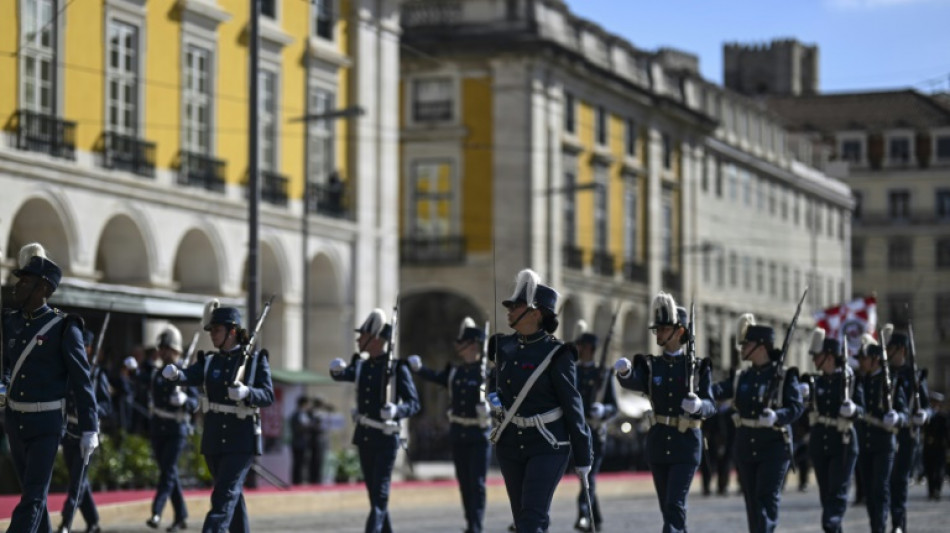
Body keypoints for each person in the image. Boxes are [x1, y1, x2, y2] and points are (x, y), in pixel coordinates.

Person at [1, 243, 99, 532]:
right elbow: (7, 365)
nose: (18, 286)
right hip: (16, 420)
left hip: (47, 423)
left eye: (26, 281)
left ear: (43, 288)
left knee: (32, 497)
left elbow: (82, 380)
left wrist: (90, 427)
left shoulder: (64, 327)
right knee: (36, 499)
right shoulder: (10, 322)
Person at [488, 269, 592, 533]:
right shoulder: (504, 347)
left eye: (517, 306)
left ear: (536, 313)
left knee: (530, 520)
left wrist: (583, 454)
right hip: (510, 444)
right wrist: (492, 397)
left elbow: (573, 405)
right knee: (525, 516)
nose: (509, 310)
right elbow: (494, 382)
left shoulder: (558, 354)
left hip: (548, 444)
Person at [161, 301, 275, 533]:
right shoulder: (210, 361)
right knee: (231, 496)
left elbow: (268, 395)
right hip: (214, 440)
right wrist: (175, 375)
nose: (212, 335)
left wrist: (248, 393)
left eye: (217, 330)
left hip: (241, 440)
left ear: (232, 331)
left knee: (223, 496)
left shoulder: (253, 361)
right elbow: (189, 375)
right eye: (211, 330)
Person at [614, 292, 715, 533]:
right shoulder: (651, 365)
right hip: (659, 444)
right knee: (668, 509)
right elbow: (635, 382)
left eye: (662, 328)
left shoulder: (697, 367)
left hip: (686, 445)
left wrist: (699, 406)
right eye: (656, 329)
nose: (657, 334)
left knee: (674, 505)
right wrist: (625, 373)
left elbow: (711, 404)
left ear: (679, 332)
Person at [711, 313, 804, 533]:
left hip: (774, 446)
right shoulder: (741, 377)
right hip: (746, 446)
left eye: (747, 344)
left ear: (761, 347)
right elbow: (715, 390)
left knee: (766, 501)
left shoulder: (785, 376)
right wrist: (696, 390)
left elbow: (796, 407)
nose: (742, 348)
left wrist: (777, 416)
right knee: (752, 503)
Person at [329, 308, 421, 533]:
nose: (359, 339)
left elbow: (414, 403)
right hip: (365, 436)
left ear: (376, 338)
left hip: (386, 438)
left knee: (379, 495)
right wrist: (335, 370)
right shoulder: (361, 366)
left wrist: (397, 410)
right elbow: (343, 374)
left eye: (363, 335)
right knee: (375, 496)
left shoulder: (398, 369)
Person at [408, 316, 491, 533]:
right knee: (464, 482)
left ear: (472, 345)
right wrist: (419, 369)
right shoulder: (456, 371)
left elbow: (501, 399)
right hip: (458, 432)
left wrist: (491, 409)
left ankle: (476, 525)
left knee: (477, 483)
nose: (457, 347)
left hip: (479, 432)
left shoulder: (489, 373)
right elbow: (437, 378)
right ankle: (470, 521)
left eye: (460, 343)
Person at [802, 329, 863, 533]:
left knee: (837, 492)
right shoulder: (816, 381)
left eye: (817, 356)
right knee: (826, 494)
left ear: (829, 356)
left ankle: (830, 524)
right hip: (820, 441)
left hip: (842, 441)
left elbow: (861, 409)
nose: (814, 360)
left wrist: (853, 410)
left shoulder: (849, 381)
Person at [57, 329, 113, 533]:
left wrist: (91, 408)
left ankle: (65, 523)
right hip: (70, 431)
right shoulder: (71, 371)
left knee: (77, 482)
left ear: (89, 348)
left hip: (87, 433)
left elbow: (107, 407)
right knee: (78, 479)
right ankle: (93, 522)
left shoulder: (97, 374)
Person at [145, 325, 198, 532]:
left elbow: (195, 403)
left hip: (177, 429)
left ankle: (156, 512)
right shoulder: (157, 373)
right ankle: (181, 517)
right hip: (159, 428)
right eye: (162, 348)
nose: (163, 352)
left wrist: (185, 400)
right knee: (169, 472)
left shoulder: (185, 373)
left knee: (167, 472)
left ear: (176, 351)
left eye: (167, 348)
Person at [854, 333, 906, 533]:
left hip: (884, 443)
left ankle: (880, 528)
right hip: (865, 443)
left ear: (875, 360)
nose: (861, 362)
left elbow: (904, 412)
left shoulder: (891, 381)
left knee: (880, 488)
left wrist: (897, 418)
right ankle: (875, 525)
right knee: (868, 490)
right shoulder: (860, 382)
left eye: (864, 358)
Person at [569, 320, 617, 532]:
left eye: (583, 346)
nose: (579, 349)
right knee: (585, 477)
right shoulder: (573, 371)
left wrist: (603, 410)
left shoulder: (604, 374)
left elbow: (614, 407)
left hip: (596, 433)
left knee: (589, 476)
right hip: (577, 432)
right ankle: (595, 516)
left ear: (592, 349)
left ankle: (583, 514)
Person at [885, 328, 930, 533]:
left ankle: (898, 523)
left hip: (907, 435)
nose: (888, 352)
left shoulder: (914, 375)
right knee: (883, 482)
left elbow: (927, 406)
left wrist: (924, 415)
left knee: (900, 481)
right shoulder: (884, 372)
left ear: (901, 350)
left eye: (891, 348)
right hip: (885, 434)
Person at [922, 391, 948, 500]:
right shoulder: (926, 415)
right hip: (928, 446)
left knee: (939, 471)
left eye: (936, 402)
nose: (934, 404)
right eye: (933, 402)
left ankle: (937, 490)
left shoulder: (943, 417)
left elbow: (946, 432)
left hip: (940, 447)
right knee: (929, 470)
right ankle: (931, 491)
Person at [290, 396, 311, 485]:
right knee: (298, 463)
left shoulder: (302, 414)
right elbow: (297, 428)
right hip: (298, 442)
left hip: (302, 442)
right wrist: (308, 426)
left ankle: (300, 480)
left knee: (301, 463)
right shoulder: (298, 414)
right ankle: (297, 482)